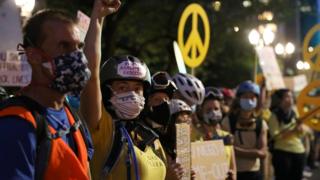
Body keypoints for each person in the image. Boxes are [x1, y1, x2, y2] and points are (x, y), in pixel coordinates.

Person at [0, 6, 95, 180]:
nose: (76, 56)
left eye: (78, 47)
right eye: (64, 46)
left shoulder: (73, 118)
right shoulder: (16, 124)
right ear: (34, 56)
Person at [221, 81, 268, 180]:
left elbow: (263, 153)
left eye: (252, 97)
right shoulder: (228, 121)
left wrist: (237, 150)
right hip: (233, 173)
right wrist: (254, 153)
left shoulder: (261, 124)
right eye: (245, 97)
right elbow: (226, 149)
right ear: (238, 99)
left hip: (254, 173)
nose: (249, 100)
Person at [192, 87, 237, 180]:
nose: (213, 112)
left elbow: (233, 168)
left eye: (216, 109)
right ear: (200, 112)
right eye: (208, 110)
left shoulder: (226, 136)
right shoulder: (192, 137)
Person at [269, 88, 307, 180]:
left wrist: (300, 128)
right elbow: (276, 136)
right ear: (280, 100)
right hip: (282, 153)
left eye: (291, 96)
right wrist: (293, 131)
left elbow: (301, 134)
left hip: (299, 151)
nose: (290, 99)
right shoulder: (274, 115)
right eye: (287, 96)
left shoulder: (295, 113)